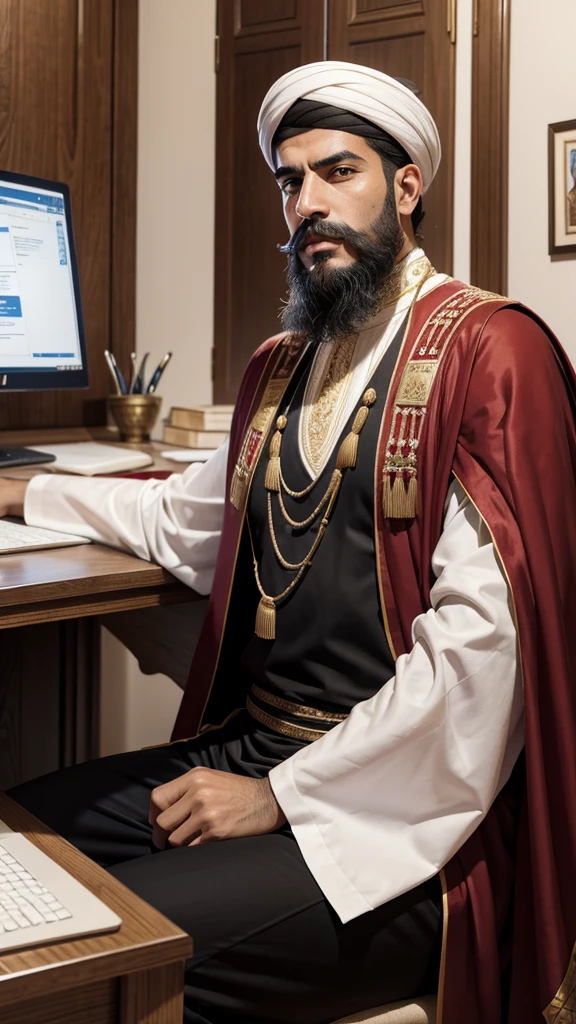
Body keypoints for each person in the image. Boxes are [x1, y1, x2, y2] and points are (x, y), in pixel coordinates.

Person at [3, 62, 576, 1024]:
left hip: (412, 822)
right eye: (289, 180)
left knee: (95, 952)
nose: (307, 204)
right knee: (18, 843)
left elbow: (481, 671)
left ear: (405, 186)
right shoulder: (282, 368)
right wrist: (28, 491)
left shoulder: (492, 353)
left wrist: (279, 794)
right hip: (257, 753)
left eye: (336, 172)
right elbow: (188, 523)